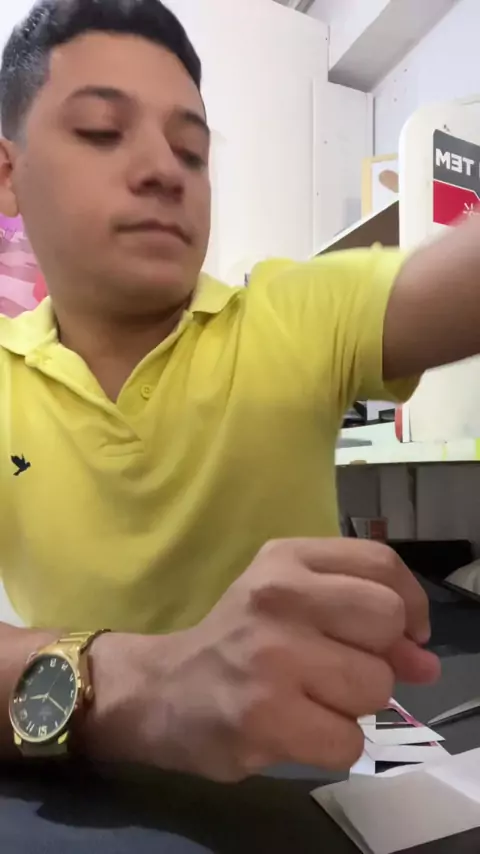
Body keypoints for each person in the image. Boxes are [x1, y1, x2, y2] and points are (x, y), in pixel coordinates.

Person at [1, 0, 478, 782]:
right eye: (101, 131)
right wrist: (149, 686)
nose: (164, 171)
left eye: (191, 151)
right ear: (8, 174)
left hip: (307, 790)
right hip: (79, 797)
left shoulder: (292, 315)